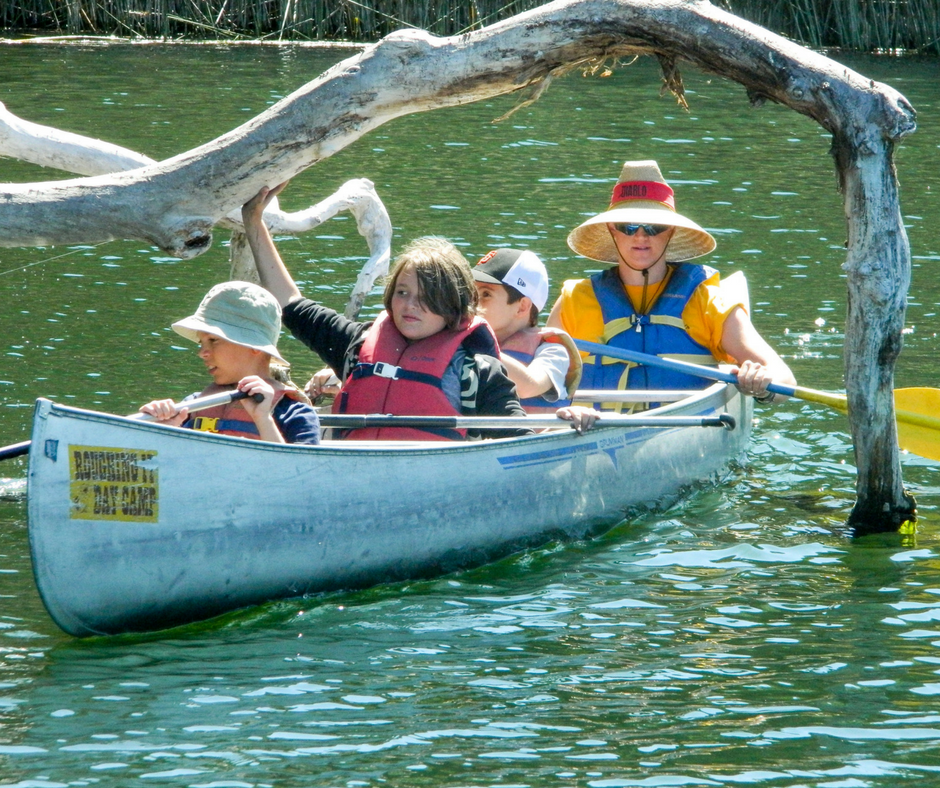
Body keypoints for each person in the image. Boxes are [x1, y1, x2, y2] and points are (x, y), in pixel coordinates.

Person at [241, 185, 532, 441]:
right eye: (402, 293)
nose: (409, 305)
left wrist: (573, 420)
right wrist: (253, 220)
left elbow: (520, 438)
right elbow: (289, 301)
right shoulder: (355, 344)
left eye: (427, 297)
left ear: (452, 304)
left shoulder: (476, 370)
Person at [546, 160, 796, 409]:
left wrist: (761, 383)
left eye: (655, 227)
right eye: (628, 226)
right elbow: (540, 381)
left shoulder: (708, 299)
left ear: (672, 231)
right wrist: (566, 413)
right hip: (591, 431)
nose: (641, 236)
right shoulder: (573, 299)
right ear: (612, 230)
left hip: (688, 427)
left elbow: (784, 380)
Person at [138, 280, 321, 445]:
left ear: (254, 346)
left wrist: (263, 419)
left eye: (214, 340)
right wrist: (165, 431)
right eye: (202, 343)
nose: (202, 353)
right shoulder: (191, 406)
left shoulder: (294, 413)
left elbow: (302, 476)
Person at [471, 248, 583, 413]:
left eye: (486, 294)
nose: (472, 303)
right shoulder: (462, 344)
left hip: (531, 437)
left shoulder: (553, 351)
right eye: (471, 294)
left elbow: (529, 386)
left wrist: (478, 346)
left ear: (522, 307)